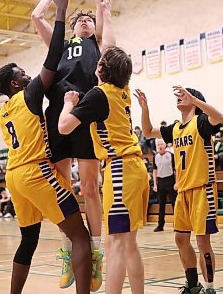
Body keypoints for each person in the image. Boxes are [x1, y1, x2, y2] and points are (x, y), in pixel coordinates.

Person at [0, 0, 92, 294]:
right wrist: (61, 8)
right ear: (15, 84)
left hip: (14, 177)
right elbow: (54, 55)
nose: (28, 74)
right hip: (36, 173)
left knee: (29, 238)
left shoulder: (3, 111)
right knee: (80, 235)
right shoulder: (30, 94)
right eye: (22, 73)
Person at [31, 0, 114, 287]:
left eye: (88, 19)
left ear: (94, 26)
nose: (84, 21)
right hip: (56, 115)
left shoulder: (98, 44)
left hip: (86, 113)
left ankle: (94, 253)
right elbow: (36, 18)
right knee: (62, 187)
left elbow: (102, 2)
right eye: (80, 19)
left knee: (90, 187)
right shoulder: (62, 46)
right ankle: (70, 247)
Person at [58, 45, 149, 294]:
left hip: (120, 169)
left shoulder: (99, 95)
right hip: (136, 168)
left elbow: (64, 127)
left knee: (115, 244)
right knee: (129, 244)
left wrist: (68, 103)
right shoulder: (123, 91)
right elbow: (112, 52)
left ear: (100, 68)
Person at [135, 86, 223, 294]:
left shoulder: (201, 123)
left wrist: (194, 98)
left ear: (194, 100)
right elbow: (148, 132)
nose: (179, 98)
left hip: (203, 189)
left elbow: (219, 117)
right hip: (183, 191)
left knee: (203, 241)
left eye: (184, 96)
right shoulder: (175, 129)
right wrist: (145, 108)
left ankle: (210, 288)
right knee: (180, 239)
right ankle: (193, 285)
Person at [152, 138, 177, 232]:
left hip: (170, 180)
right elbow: (154, 170)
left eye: (161, 144)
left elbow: (176, 169)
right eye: (158, 145)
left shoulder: (171, 155)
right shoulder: (155, 157)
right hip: (161, 182)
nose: (160, 146)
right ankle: (160, 225)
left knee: (174, 204)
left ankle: (178, 224)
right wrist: (155, 184)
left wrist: (177, 182)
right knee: (161, 205)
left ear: (165, 145)